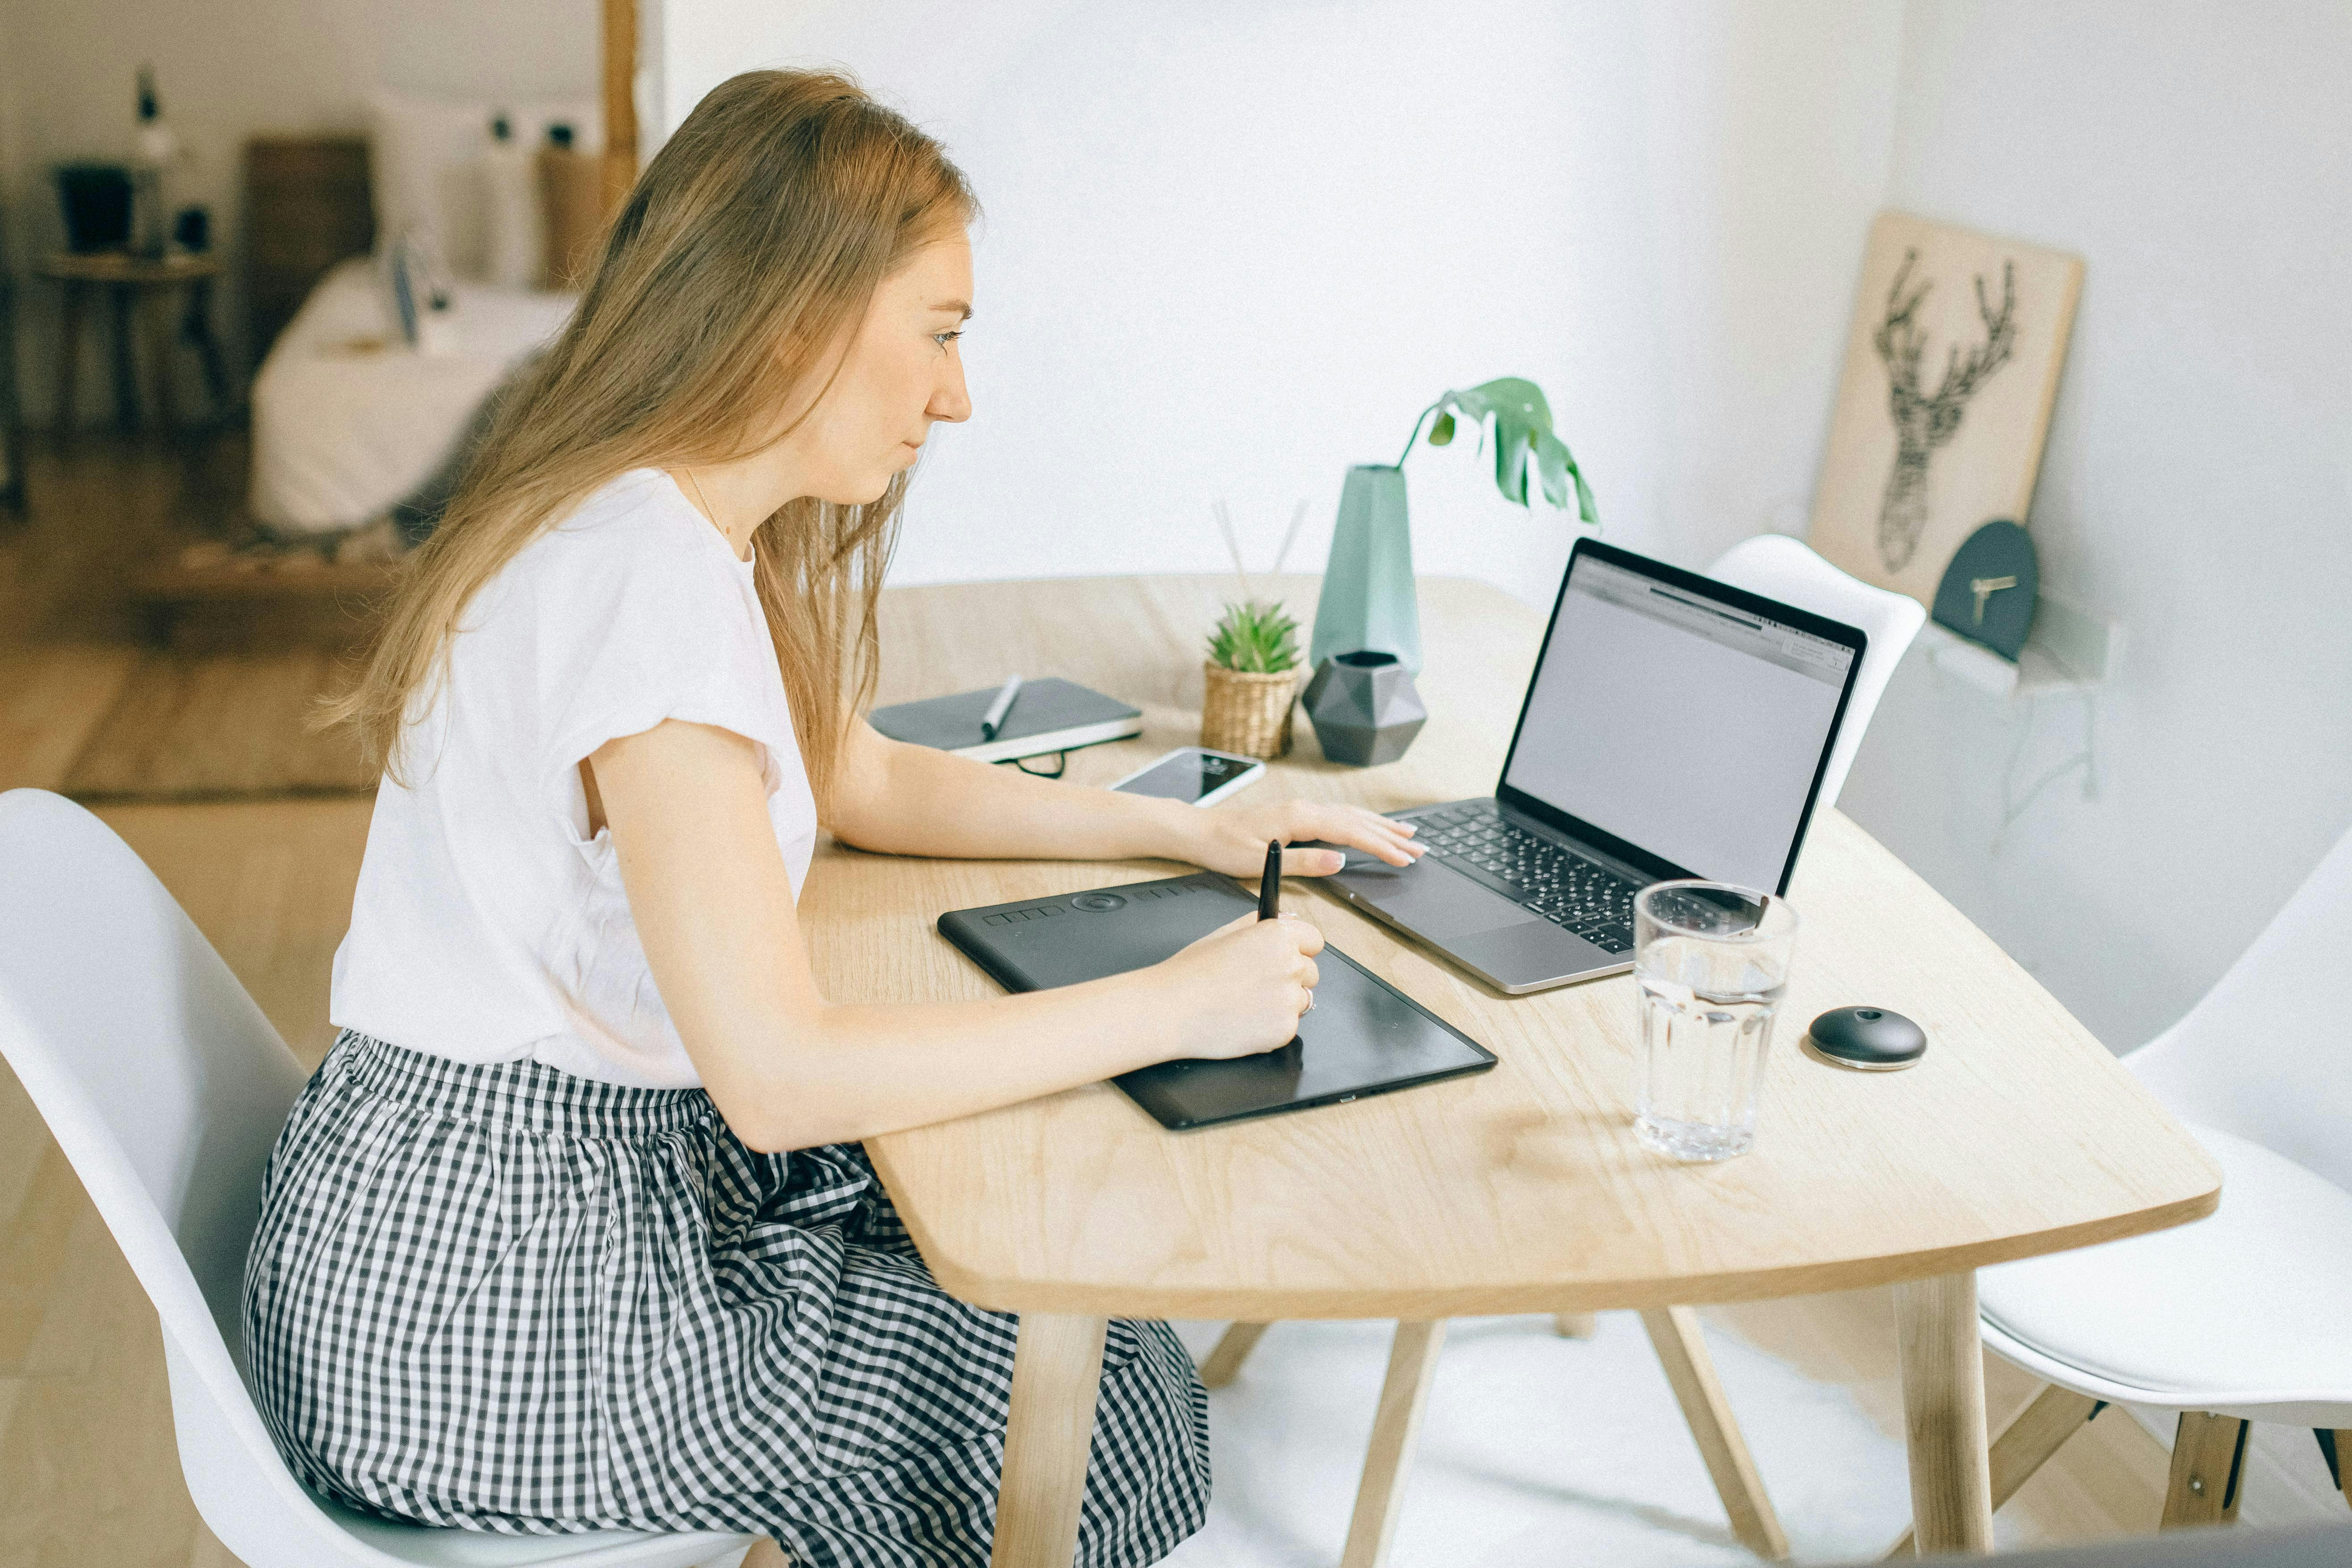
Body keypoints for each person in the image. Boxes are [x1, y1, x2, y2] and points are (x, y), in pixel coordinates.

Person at [242, 69, 1421, 1568]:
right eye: (938, 335)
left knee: (1018, 1256)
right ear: (792, 316)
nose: (959, 393)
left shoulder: (658, 516)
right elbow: (785, 1079)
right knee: (1089, 1387)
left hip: (444, 1202)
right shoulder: (641, 588)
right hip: (489, 1299)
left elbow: (860, 781)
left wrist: (1183, 828)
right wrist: (1173, 1004)